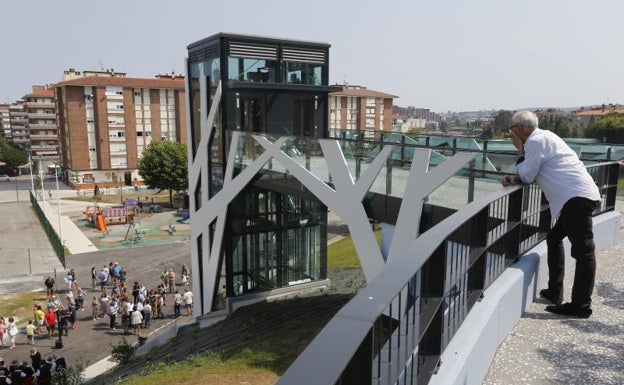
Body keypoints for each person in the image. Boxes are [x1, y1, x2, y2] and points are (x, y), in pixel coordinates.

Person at [501, 110, 601, 318]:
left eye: (511, 130)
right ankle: (554, 291)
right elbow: (532, 172)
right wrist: (516, 177)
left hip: (575, 198)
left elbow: (527, 175)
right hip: (576, 197)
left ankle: (581, 306)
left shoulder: (534, 142)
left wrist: (520, 152)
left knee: (584, 253)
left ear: (519, 129)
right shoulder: (547, 136)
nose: (511, 135)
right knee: (554, 238)